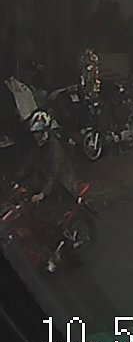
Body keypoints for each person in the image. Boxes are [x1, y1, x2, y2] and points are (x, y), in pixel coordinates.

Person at [13, 111, 82, 272]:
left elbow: (54, 175)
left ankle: (58, 251)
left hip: (62, 189)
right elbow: (28, 164)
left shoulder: (54, 148)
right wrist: (15, 179)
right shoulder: (39, 147)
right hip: (45, 185)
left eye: (38, 132)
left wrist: (42, 194)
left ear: (45, 131)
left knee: (48, 219)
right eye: (34, 133)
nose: (36, 136)